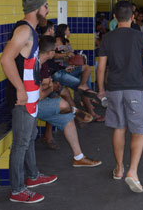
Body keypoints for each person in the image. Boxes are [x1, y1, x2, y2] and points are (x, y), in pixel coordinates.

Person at [0, 0, 56, 204]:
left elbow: (27, 64)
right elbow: (6, 60)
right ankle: (17, 189)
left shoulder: (32, 31)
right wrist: (20, 90)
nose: (48, 10)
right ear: (36, 9)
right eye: (45, 6)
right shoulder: (24, 30)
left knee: (30, 136)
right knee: (21, 143)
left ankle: (32, 177)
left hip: (31, 97)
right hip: (21, 99)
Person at [97, 1, 143, 193]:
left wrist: (101, 89)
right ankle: (133, 170)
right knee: (138, 130)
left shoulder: (107, 38)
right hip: (136, 89)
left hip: (114, 89)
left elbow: (101, 68)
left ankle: (119, 168)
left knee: (119, 128)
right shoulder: (140, 36)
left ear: (114, 17)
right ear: (133, 17)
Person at [37, 36, 102, 167]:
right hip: (29, 106)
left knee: (67, 118)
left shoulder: (42, 63)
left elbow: (44, 86)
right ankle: (75, 110)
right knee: (62, 103)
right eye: (55, 51)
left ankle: (78, 157)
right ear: (50, 53)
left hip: (40, 99)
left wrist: (51, 86)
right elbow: (38, 95)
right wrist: (51, 88)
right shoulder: (33, 65)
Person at [53, 24, 104, 122]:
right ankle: (89, 114)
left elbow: (68, 58)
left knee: (85, 72)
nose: (70, 31)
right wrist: (66, 55)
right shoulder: (56, 42)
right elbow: (54, 56)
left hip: (68, 70)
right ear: (63, 31)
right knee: (83, 88)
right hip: (61, 72)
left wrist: (73, 59)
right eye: (68, 29)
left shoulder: (66, 42)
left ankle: (81, 115)